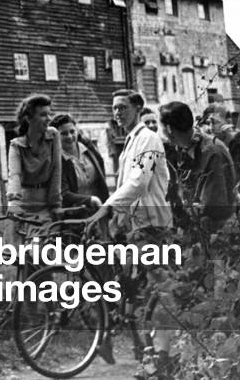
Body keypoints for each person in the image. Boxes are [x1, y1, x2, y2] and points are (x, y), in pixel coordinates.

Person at [85, 89, 175, 378]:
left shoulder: (148, 138)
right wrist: (117, 219)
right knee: (142, 290)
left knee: (158, 289)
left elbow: (139, 182)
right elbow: (129, 185)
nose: (117, 113)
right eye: (114, 108)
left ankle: (162, 357)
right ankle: (154, 356)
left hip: (153, 225)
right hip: (138, 225)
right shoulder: (130, 140)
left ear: (137, 108)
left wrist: (108, 208)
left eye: (122, 107)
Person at [159, 101, 238, 236]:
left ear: (169, 129)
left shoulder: (212, 152)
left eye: (162, 128)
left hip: (219, 234)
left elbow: (214, 206)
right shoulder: (183, 148)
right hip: (200, 229)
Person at [6, 94, 63, 239]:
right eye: (43, 115)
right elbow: (14, 176)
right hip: (23, 204)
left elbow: (56, 171)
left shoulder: (53, 136)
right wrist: (14, 204)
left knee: (45, 247)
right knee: (14, 248)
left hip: (45, 206)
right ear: (28, 118)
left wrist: (56, 204)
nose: (49, 118)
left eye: (49, 114)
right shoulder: (16, 146)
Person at [51, 113, 109, 211]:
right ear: (56, 136)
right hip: (76, 212)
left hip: (100, 208)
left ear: (77, 131)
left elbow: (101, 176)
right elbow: (63, 194)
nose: (69, 136)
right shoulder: (57, 159)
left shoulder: (89, 150)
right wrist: (89, 200)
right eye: (64, 133)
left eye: (72, 131)